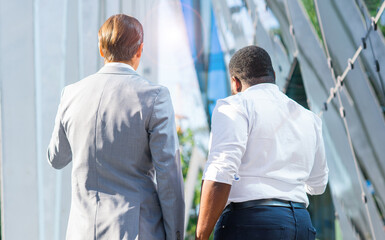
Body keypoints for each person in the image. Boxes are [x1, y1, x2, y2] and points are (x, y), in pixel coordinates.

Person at [47, 14, 184, 240]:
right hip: (137, 230)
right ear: (139, 50)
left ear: (101, 49)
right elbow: (168, 176)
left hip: (82, 232)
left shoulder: (71, 94)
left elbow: (56, 158)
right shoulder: (154, 97)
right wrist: (176, 235)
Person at [195, 46, 328, 240]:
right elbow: (318, 185)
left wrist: (200, 235)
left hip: (251, 223)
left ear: (235, 83)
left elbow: (221, 171)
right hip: (301, 225)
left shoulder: (235, 106)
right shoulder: (309, 118)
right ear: (273, 75)